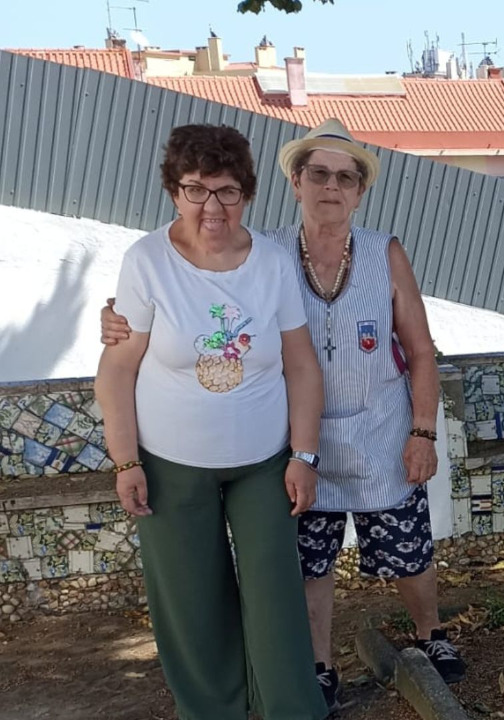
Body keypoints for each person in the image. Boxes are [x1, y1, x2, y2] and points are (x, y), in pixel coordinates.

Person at [101, 118, 465, 710]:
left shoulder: (364, 253)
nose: (331, 186)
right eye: (318, 173)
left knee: (398, 553)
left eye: (346, 177)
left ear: (360, 190)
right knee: (297, 569)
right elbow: (140, 341)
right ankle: (301, 675)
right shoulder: (244, 250)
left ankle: (426, 639)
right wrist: (114, 321)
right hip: (266, 447)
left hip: (359, 439)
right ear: (295, 182)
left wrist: (420, 430)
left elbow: (409, 351)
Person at [94, 124, 330, 719]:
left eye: (226, 191)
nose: (211, 207)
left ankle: (291, 711)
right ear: (175, 191)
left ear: (246, 194)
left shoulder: (272, 263)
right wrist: (125, 461)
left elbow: (302, 366)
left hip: (264, 463)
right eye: (195, 190)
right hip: (170, 464)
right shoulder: (146, 261)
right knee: (191, 604)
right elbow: (117, 370)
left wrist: (304, 455)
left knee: (276, 601)